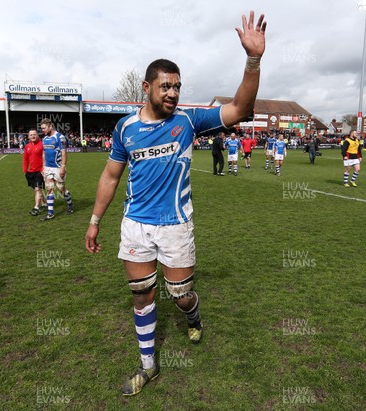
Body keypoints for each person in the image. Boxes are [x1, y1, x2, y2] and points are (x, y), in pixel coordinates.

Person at [85, 10, 267, 396]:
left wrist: (253, 61)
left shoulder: (188, 121)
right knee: (142, 295)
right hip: (135, 223)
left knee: (180, 296)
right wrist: (95, 219)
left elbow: (240, 110)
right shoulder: (125, 128)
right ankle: (148, 365)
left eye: (177, 86)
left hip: (176, 225)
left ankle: (193, 314)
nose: (173, 93)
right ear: (147, 87)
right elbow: (110, 176)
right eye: (166, 86)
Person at [40, 118, 74, 220]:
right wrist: (43, 166)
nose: (43, 130)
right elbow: (44, 153)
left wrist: (63, 167)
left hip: (58, 167)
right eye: (41, 128)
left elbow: (64, 153)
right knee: (49, 188)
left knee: (61, 188)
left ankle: (70, 203)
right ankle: (50, 213)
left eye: (44, 128)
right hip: (48, 168)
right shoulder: (44, 139)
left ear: (50, 126)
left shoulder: (60, 137)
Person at [23, 129, 45, 216]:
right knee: (36, 190)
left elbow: (45, 158)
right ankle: (44, 204)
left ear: (37, 135)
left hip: (40, 171)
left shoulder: (42, 145)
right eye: (31, 135)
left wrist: (43, 169)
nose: (33, 136)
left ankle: (36, 207)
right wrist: (25, 170)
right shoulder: (27, 146)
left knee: (37, 189)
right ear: (28, 136)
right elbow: (25, 159)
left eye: (34, 134)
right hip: (30, 172)